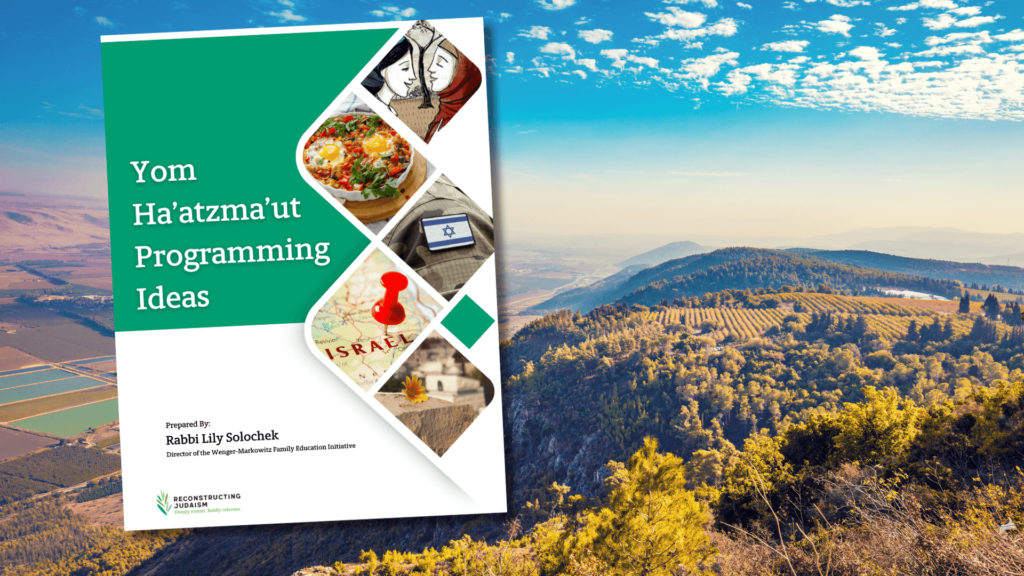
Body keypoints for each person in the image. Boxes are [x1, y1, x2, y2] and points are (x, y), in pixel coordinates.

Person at [423, 40, 481, 143]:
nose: (431, 68)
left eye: (439, 64)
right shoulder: (442, 115)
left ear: (460, 72)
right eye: (432, 62)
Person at [362, 38, 416, 115]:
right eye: (405, 68)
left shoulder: (390, 110)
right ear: (383, 70)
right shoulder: (368, 109)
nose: (413, 76)